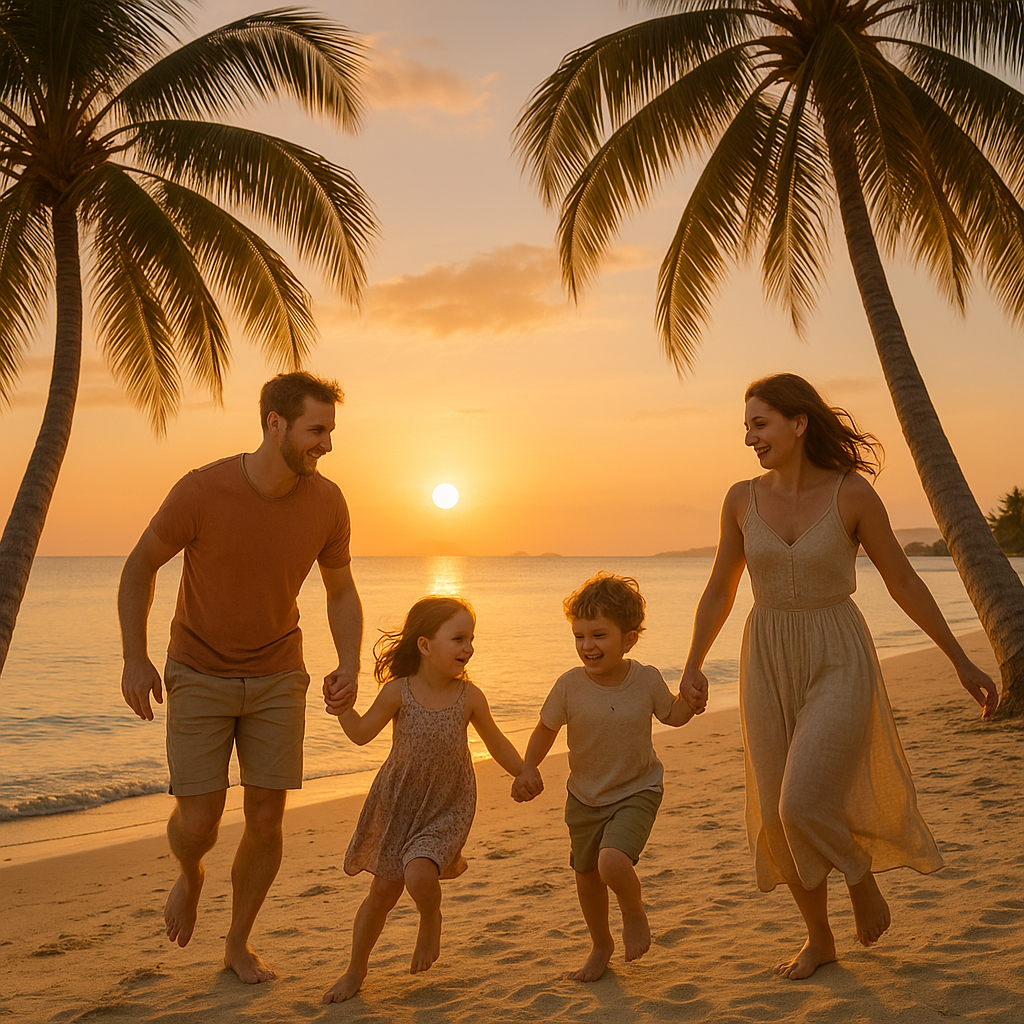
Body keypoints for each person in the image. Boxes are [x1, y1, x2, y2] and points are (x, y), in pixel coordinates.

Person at [679, 373, 998, 980]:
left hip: (838, 655)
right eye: (745, 426)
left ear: (799, 423)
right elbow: (721, 586)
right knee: (776, 813)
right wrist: (693, 663)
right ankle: (819, 939)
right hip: (766, 656)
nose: (749, 437)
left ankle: (858, 873)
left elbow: (903, 581)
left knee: (801, 800)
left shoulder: (852, 495)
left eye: (760, 423)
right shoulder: (740, 499)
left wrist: (959, 659)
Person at [118, 371, 362, 985]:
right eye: (316, 430)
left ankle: (237, 942)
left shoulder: (328, 502)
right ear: (274, 423)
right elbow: (139, 565)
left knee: (266, 820)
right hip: (198, 669)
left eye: (330, 431)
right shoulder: (203, 491)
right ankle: (190, 873)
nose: (326, 444)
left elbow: (340, 591)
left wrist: (350, 660)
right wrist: (134, 657)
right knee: (199, 823)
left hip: (280, 672)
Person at [321, 596, 526, 1003]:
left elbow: (497, 743)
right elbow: (361, 733)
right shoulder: (399, 691)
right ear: (425, 645)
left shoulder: (470, 697)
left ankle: (430, 919)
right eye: (458, 638)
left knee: (419, 872)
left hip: (447, 805)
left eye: (471, 638)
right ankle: (355, 969)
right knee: (381, 893)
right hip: (398, 802)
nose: (468, 647)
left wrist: (523, 772)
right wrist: (340, 707)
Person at [512, 573, 697, 982]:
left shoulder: (645, 679)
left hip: (637, 789)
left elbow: (672, 715)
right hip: (584, 797)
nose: (587, 647)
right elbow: (546, 729)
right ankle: (601, 944)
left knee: (611, 863)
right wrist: (529, 767)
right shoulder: (569, 686)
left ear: (629, 639)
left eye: (598, 635)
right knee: (587, 874)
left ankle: (634, 913)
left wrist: (692, 703)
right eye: (579, 636)